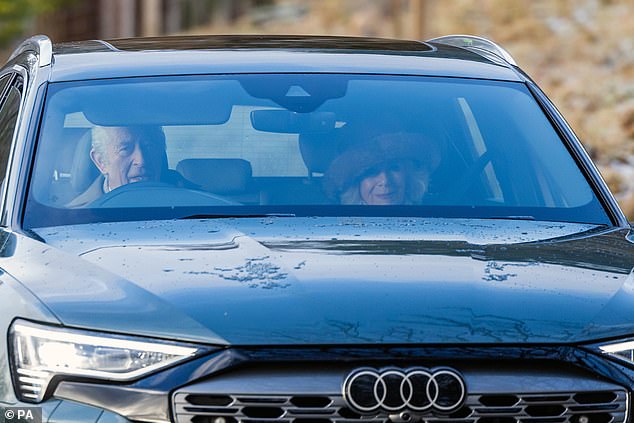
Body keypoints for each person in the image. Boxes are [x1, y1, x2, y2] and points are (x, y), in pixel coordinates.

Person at [323, 133, 439, 205]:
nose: (385, 181)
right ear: (355, 182)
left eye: (394, 168)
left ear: (409, 175)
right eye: (371, 172)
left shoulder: (435, 219)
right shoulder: (338, 226)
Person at [67, 125, 167, 207]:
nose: (141, 161)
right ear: (101, 161)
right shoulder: (74, 221)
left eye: (149, 146)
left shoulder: (182, 201)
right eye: (125, 149)